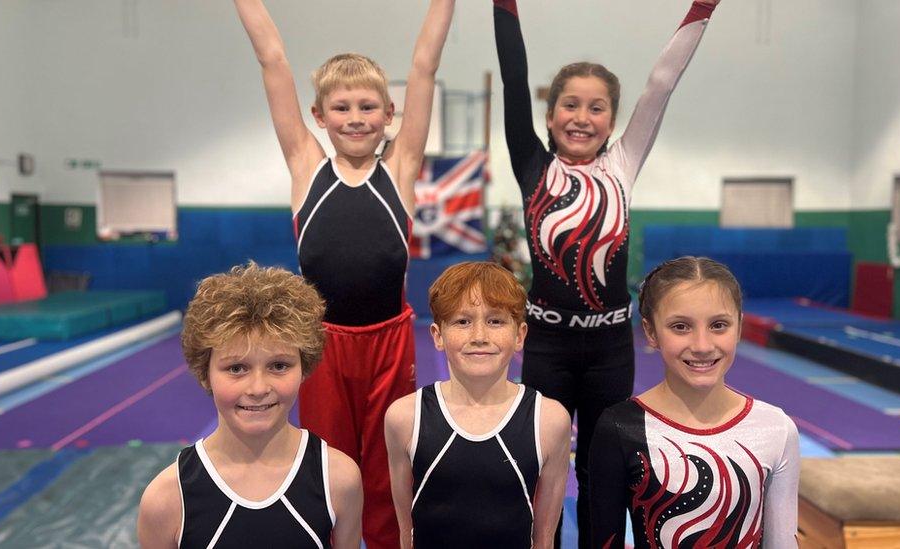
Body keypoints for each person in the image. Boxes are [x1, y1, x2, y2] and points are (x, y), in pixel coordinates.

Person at [492, 1, 720, 544]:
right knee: (540, 465)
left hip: (609, 350)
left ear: (612, 122)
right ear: (549, 116)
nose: (581, 117)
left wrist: (703, 8)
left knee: (603, 470)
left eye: (597, 108)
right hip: (547, 345)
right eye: (569, 105)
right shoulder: (532, 166)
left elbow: (661, 84)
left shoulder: (623, 164)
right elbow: (513, 74)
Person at [234, 1, 454, 546]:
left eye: (367, 106)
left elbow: (425, 65)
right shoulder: (306, 167)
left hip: (388, 342)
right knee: (328, 463)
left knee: (384, 465)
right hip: (323, 344)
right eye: (341, 107)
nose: (355, 117)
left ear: (389, 114)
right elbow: (273, 62)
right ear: (318, 116)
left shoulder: (399, 168)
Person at [137, 262, 363, 549]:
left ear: (304, 368)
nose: (258, 389)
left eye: (279, 365)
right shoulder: (167, 498)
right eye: (236, 368)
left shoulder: (340, 479)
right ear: (205, 373)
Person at [589, 257, 799, 548]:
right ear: (651, 332)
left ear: (739, 327)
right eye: (680, 327)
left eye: (718, 325)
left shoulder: (775, 428)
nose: (702, 345)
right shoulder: (620, 428)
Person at [384, 262, 572, 548]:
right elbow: (406, 532)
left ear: (520, 335)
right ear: (437, 335)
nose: (479, 336)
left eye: (495, 321)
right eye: (462, 321)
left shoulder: (549, 420)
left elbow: (544, 538)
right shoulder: (405, 418)